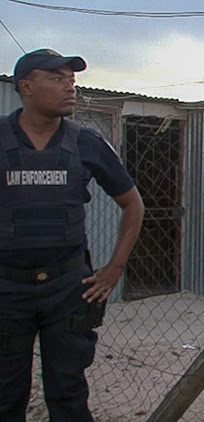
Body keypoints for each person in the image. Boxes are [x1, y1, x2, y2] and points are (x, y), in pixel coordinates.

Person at [0, 49, 144, 421]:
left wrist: (115, 268)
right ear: (26, 86)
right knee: (5, 397)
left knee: (68, 396)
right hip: (6, 291)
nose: (70, 88)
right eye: (57, 78)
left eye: (72, 80)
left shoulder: (86, 142)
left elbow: (133, 204)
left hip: (67, 289)